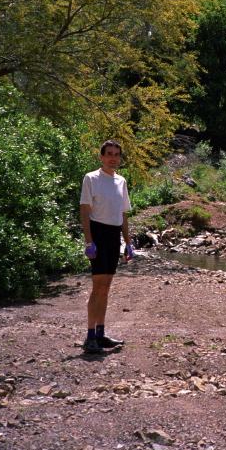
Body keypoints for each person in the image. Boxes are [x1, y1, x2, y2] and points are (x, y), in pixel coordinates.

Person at [79, 139, 135, 354]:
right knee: (97, 287)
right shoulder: (91, 178)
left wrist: (128, 243)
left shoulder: (121, 181)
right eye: (109, 154)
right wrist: (89, 241)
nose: (113, 158)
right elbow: (85, 211)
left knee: (106, 288)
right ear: (101, 156)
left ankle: (101, 335)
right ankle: (90, 337)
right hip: (98, 234)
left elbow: (123, 214)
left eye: (117, 154)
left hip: (114, 236)